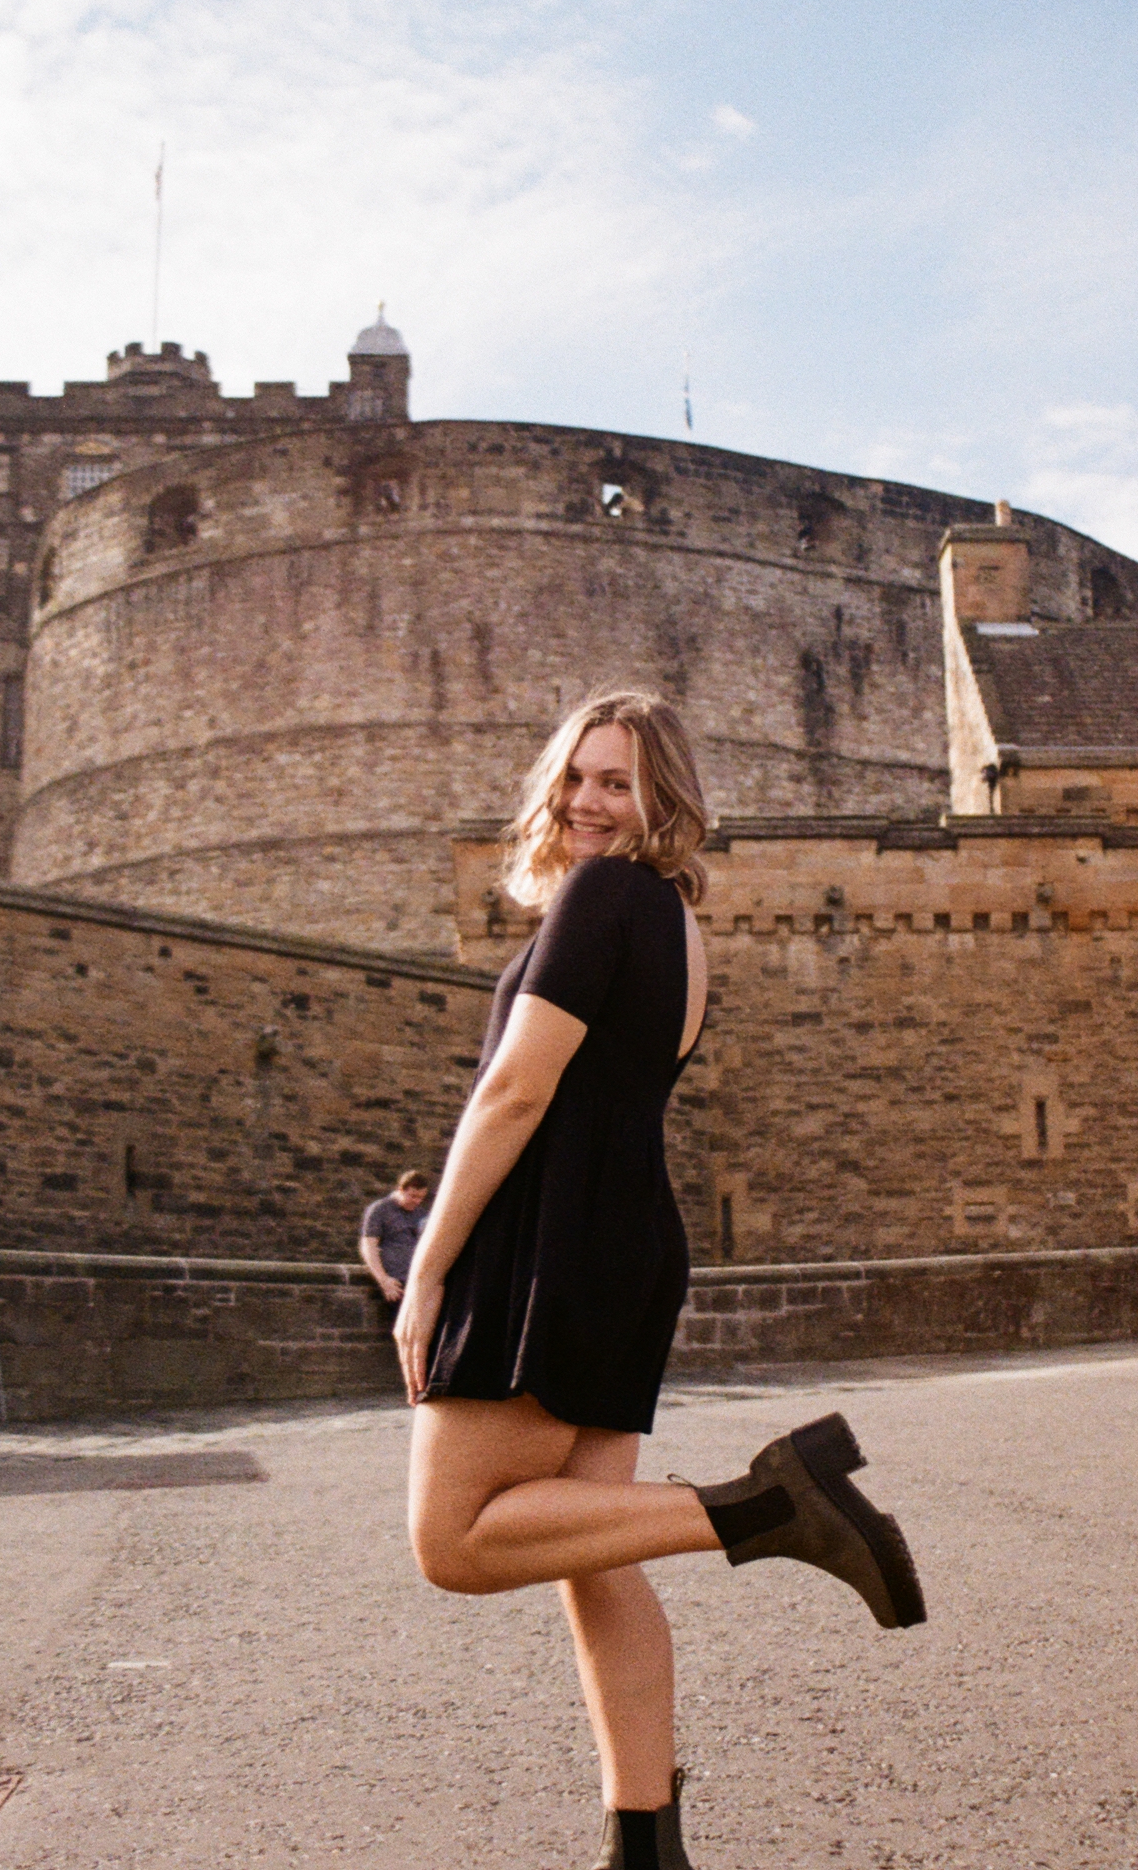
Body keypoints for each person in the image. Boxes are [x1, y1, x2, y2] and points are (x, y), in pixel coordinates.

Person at [394, 691, 924, 1869]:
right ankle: (646, 1847)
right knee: (594, 1556)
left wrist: (428, 1263)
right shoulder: (678, 922)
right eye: (577, 777)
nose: (587, 801)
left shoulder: (604, 894)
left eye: (617, 783)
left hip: (549, 1236)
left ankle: (769, 1505)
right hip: (625, 1238)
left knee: (453, 1541)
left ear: (663, 800)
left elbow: (516, 1091)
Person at [358, 1168, 433, 1303]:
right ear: (400, 1190)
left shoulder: (422, 1215)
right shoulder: (380, 1210)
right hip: (396, 1283)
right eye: (413, 1196)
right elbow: (369, 1246)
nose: (417, 1201)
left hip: (418, 1282)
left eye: (421, 1197)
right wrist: (383, 1279)